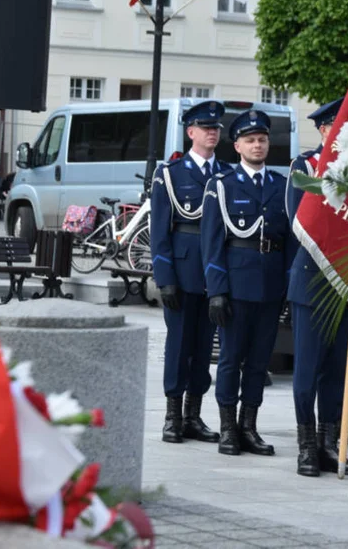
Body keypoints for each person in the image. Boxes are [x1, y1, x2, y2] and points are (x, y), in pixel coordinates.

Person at [200, 109, 291, 457]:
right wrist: (217, 291)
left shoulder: (281, 186)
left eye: (262, 139)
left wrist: (285, 287)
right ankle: (227, 428)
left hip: (269, 287)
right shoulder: (222, 186)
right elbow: (212, 243)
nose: (257, 145)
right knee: (230, 358)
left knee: (258, 361)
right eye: (250, 140)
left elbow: (289, 244)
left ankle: (248, 426)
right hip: (236, 286)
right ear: (236, 146)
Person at [286, 98, 348, 478]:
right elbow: (296, 221)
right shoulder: (304, 167)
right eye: (334, 126)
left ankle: (330, 443)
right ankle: (305, 447)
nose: (340, 133)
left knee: (337, 370)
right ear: (322, 130)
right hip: (312, 280)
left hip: (345, 284)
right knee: (307, 370)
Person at [151, 101, 230, 445]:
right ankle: (172, 415)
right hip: (182, 271)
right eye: (205, 127)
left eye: (216, 128)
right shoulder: (171, 174)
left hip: (213, 274)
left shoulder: (227, 173)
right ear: (190, 132)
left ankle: (194, 414)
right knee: (179, 345)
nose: (212, 132)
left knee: (203, 346)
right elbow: (159, 233)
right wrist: (165, 278)